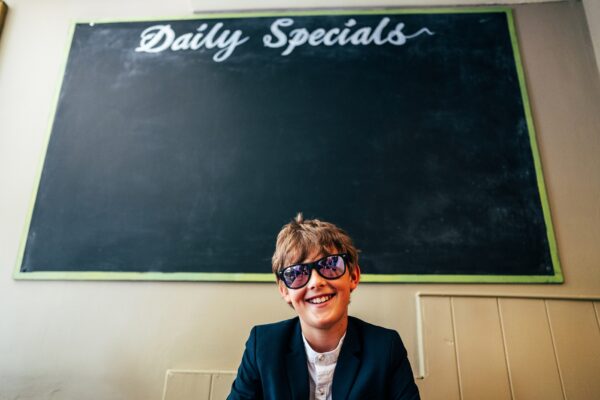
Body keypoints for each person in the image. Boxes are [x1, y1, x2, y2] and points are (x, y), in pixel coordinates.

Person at [228, 213, 420, 400]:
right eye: (297, 273)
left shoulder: (386, 348)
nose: (315, 282)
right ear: (285, 290)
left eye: (329, 265)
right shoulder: (262, 346)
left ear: (353, 276)